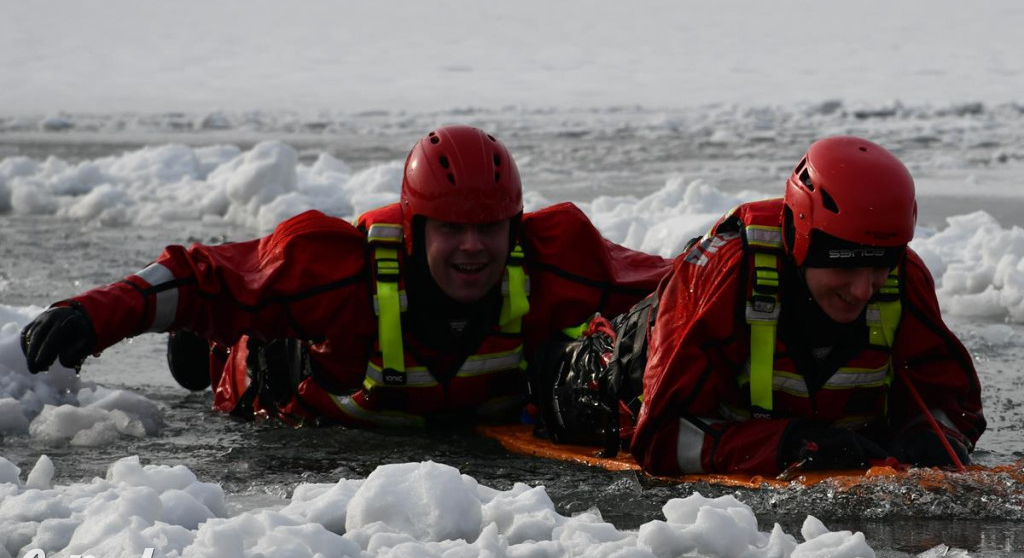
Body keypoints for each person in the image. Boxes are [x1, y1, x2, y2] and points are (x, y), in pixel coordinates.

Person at [20, 125, 671, 429]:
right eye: (451, 229)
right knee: (236, 342)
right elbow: (198, 277)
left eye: (489, 228)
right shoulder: (340, 270)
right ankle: (215, 343)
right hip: (297, 384)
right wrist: (92, 313)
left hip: (443, 413)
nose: (473, 248)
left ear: (514, 225)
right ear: (415, 231)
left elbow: (678, 286)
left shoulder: (558, 256)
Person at [539, 136, 986, 477]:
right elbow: (661, 438)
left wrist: (933, 438)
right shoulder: (730, 272)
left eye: (880, 267)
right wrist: (789, 444)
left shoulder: (905, 278)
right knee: (557, 380)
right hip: (608, 379)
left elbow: (951, 401)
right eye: (845, 266)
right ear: (802, 238)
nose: (863, 289)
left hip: (790, 425)